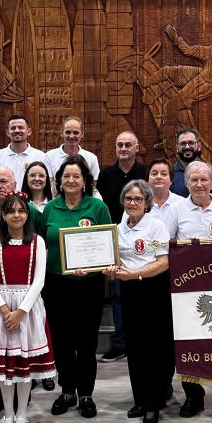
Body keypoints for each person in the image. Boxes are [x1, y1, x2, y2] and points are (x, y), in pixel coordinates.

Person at [0, 192, 56, 423]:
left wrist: (21, 311)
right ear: (3, 215)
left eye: (21, 210)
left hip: (27, 310)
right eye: (11, 211)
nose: (16, 215)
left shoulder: (37, 242)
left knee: (24, 366)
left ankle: (22, 414)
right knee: (5, 367)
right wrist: (5, 309)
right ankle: (7, 414)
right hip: (1, 309)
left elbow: (39, 280)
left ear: (27, 214)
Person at [165, 161, 212, 420]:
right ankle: (193, 397)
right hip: (187, 291)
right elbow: (167, 247)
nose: (199, 184)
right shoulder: (176, 210)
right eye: (194, 180)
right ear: (186, 183)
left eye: (204, 180)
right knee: (191, 344)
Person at [40, 155, 112, 418]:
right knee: (61, 341)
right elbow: (40, 243)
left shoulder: (97, 208)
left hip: (88, 285)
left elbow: (107, 246)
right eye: (66, 176)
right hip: (56, 284)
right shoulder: (50, 209)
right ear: (59, 181)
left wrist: (93, 266)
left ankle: (86, 394)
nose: (71, 180)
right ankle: (67, 391)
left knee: (86, 341)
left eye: (76, 176)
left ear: (85, 182)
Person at [103, 180, 174, 423]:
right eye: (128, 199)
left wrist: (135, 274)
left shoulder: (156, 227)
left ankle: (153, 405)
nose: (133, 203)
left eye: (138, 199)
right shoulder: (119, 228)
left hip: (152, 289)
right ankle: (140, 400)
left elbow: (163, 262)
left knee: (153, 349)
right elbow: (113, 260)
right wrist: (111, 271)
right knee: (134, 348)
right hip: (128, 291)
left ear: (147, 203)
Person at [96, 131, 148, 364]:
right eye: (120, 145)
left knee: (144, 293)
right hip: (115, 240)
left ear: (137, 148)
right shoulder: (106, 174)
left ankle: (140, 342)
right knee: (118, 295)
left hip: (144, 240)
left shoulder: (145, 172)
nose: (124, 148)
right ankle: (119, 344)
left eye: (128, 145)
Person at [0, 115, 46, 191]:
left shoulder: (40, 156)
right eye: (13, 128)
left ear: (29, 131)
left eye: (20, 127)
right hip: (5, 201)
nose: (17, 131)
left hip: (32, 201)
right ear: (8, 133)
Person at [43, 116, 101, 186]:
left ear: (82, 134)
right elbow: (49, 184)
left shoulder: (91, 158)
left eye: (76, 133)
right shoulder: (49, 156)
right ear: (62, 133)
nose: (71, 136)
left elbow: (94, 185)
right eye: (68, 132)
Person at [169, 128, 212, 198]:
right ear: (177, 148)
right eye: (183, 143)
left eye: (191, 143)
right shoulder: (170, 172)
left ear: (199, 146)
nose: (187, 147)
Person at [144, 158, 183, 229]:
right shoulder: (136, 202)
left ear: (171, 180)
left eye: (164, 174)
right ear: (147, 180)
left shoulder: (182, 203)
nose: (158, 177)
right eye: (154, 174)